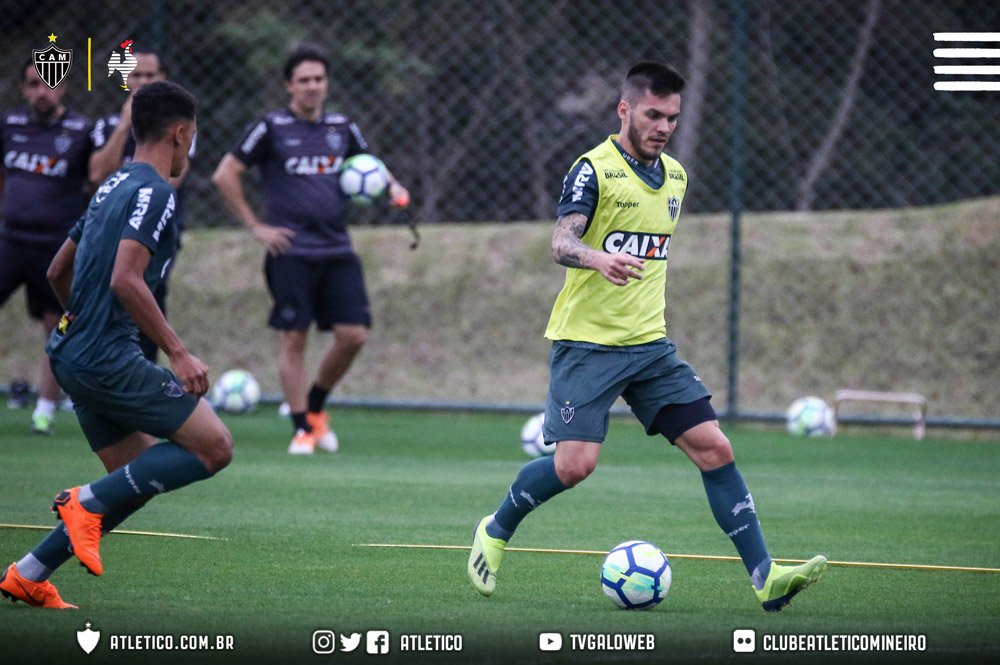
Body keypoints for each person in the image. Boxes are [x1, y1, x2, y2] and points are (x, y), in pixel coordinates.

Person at [467, 62, 827, 612]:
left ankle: (767, 578)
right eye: (653, 115)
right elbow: (560, 242)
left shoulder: (676, 177)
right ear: (625, 110)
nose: (663, 127)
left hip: (650, 348)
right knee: (574, 467)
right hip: (587, 345)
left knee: (715, 448)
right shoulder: (593, 169)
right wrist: (598, 258)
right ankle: (495, 528)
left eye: (672, 118)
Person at [0, 81, 232, 609]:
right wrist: (178, 353)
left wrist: (82, 322)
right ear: (180, 134)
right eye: (193, 136)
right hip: (107, 357)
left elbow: (57, 270)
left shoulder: (111, 185)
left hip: (70, 352)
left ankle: (29, 574)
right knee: (215, 447)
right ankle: (81, 500)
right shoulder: (157, 193)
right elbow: (125, 279)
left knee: (133, 478)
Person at [212, 44, 410, 455]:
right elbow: (225, 174)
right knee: (294, 339)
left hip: (337, 247)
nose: (312, 86)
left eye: (319, 79)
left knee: (354, 335)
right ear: (289, 85)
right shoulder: (270, 127)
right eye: (304, 80)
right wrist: (256, 227)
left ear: (327, 83)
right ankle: (301, 427)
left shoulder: (342, 127)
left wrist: (393, 187)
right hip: (291, 251)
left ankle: (315, 405)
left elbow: (371, 165)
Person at [0, 60, 95, 434]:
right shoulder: (9, 125)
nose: (43, 91)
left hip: (56, 244)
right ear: (24, 89)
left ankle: (44, 411)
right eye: (34, 84)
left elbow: (95, 178)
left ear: (64, 87)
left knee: (57, 325)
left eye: (50, 83)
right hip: (10, 238)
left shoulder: (81, 131)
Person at [89, 48, 194, 363]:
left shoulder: (180, 128)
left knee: (146, 294)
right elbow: (97, 175)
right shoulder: (108, 125)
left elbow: (170, 181)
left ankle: (145, 367)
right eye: (136, 76)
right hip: (111, 228)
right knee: (109, 296)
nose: (144, 82)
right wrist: (125, 126)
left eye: (151, 75)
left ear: (163, 79)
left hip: (154, 230)